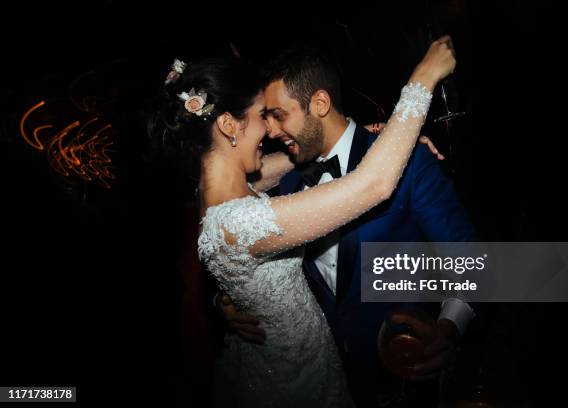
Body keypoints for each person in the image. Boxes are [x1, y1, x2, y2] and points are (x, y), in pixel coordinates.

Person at [152, 36, 456, 407]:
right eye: (262, 115)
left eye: (276, 114)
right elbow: (373, 183)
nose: (270, 130)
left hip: (395, 365)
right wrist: (421, 79)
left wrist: (450, 325)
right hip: (301, 383)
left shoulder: (255, 184)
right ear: (230, 126)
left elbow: (471, 257)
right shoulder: (261, 204)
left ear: (320, 103)